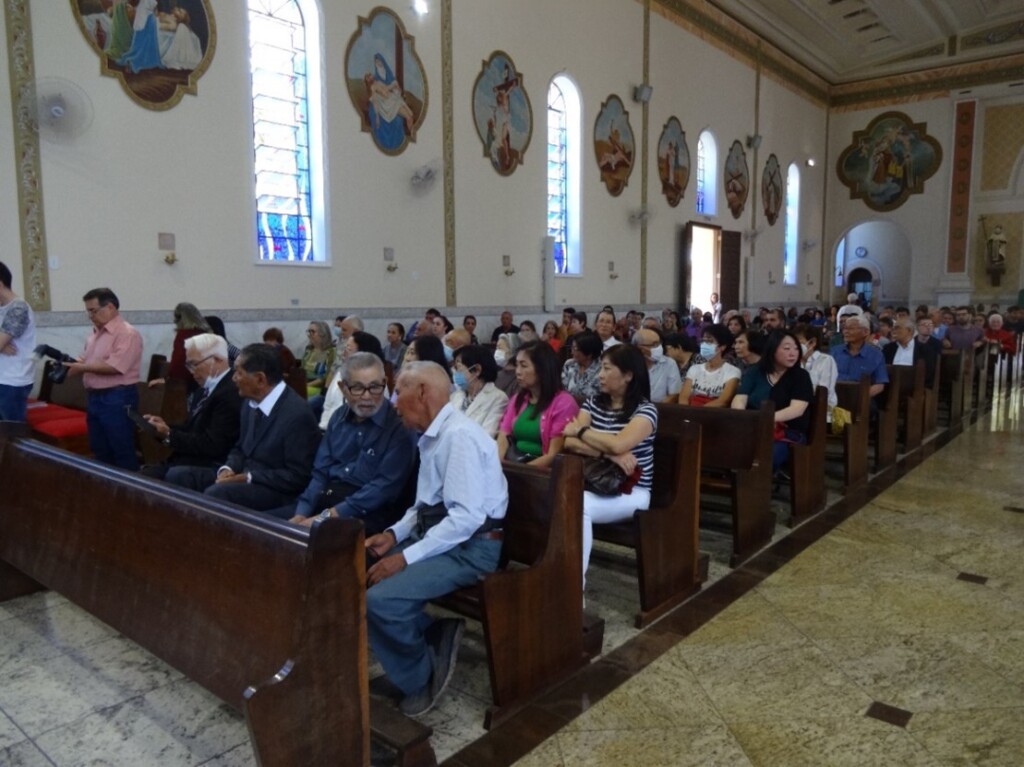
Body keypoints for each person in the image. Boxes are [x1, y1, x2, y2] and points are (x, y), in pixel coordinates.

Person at [364, 361, 507, 717]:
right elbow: (425, 503)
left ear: (423, 393)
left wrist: (405, 557)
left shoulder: (458, 437)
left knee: (381, 600)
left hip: (473, 547)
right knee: (359, 570)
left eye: (399, 392)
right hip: (443, 536)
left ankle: (420, 678)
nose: (394, 401)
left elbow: (466, 517)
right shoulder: (434, 435)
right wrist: (393, 534)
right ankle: (433, 638)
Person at [285, 353, 415, 532]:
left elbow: (381, 490)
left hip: (366, 514)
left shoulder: (399, 426)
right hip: (327, 499)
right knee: (267, 527)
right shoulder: (338, 417)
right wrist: (302, 512)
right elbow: (320, 473)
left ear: (385, 382)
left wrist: (323, 518)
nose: (367, 396)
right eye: (358, 388)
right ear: (342, 387)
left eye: (375, 387)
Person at [562, 344, 657, 582]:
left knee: (578, 505)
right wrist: (608, 455)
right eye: (601, 368)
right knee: (560, 498)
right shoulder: (594, 402)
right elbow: (569, 443)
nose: (600, 375)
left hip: (632, 490)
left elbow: (619, 444)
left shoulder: (646, 410)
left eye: (606, 369)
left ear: (628, 375)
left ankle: (575, 587)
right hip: (596, 482)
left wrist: (581, 430)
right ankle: (559, 574)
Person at [201, 344, 321, 511]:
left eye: (239, 373)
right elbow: (240, 448)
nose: (234, 378)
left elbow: (298, 476)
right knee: (181, 476)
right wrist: (228, 468)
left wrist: (248, 477)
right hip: (242, 476)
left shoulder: (297, 414)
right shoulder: (249, 402)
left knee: (217, 494)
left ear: (260, 379)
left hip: (275, 491)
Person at [141, 333, 242, 487]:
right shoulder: (204, 388)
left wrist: (169, 434)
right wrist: (164, 428)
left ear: (217, 360)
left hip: (210, 466)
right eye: (188, 365)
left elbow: (213, 445)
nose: (191, 371)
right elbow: (192, 429)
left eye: (195, 364)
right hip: (187, 460)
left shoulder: (230, 392)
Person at [65, 288, 143, 471]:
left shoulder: (127, 334)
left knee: (121, 449)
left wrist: (81, 367)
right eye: (88, 311)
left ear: (110, 307)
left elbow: (116, 367)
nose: (90, 316)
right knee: (100, 449)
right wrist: (66, 366)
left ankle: (129, 493)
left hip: (118, 397)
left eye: (93, 310)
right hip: (95, 398)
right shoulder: (94, 335)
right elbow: (86, 359)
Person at [732, 330, 815, 473]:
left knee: (764, 457)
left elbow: (797, 409)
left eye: (796, 348)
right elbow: (740, 398)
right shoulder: (755, 371)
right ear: (772, 350)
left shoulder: (800, 376)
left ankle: (755, 488)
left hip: (787, 433)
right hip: (752, 428)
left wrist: (764, 420)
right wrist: (743, 419)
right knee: (729, 449)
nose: (793, 353)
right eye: (787, 348)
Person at [497, 341, 578, 466]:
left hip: (541, 473)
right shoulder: (518, 398)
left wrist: (521, 473)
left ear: (542, 369)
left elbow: (553, 455)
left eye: (524, 366)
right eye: (517, 365)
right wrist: (498, 466)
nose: (517, 371)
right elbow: (504, 435)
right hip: (513, 463)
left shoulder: (564, 403)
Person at [320, 331, 385, 429]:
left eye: (349, 349)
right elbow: (327, 405)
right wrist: (323, 426)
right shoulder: (340, 373)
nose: (344, 352)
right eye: (345, 348)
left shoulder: (378, 381)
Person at [0, 261, 36, 422]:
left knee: (12, 434)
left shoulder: (18, 308)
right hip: (3, 377)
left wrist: (2, 345)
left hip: (12, 381)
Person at [450, 345, 508, 438]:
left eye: (458, 367)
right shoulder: (456, 395)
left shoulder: (498, 398)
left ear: (477, 370)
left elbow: (486, 436)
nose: (455, 373)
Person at [678, 324, 740, 407]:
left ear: (722, 347)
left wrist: (698, 413)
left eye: (710, 341)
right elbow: (683, 397)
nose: (704, 345)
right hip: (690, 412)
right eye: (703, 341)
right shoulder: (694, 369)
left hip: (714, 414)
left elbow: (722, 401)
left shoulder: (732, 372)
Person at [152, 302, 209, 392]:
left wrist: (167, 380)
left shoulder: (184, 335)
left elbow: (179, 363)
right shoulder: (207, 333)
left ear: (180, 320)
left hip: (187, 386)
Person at [831, 313, 888, 399]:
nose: (845, 331)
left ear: (865, 332)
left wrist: (862, 397)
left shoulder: (876, 355)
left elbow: (879, 385)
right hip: (834, 396)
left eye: (850, 328)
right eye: (844, 328)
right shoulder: (835, 351)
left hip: (862, 397)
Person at [366, 53, 415, 151]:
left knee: (411, 115)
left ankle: (413, 134)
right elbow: (376, 100)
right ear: (368, 80)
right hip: (389, 104)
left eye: (370, 76)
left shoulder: (378, 81)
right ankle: (412, 136)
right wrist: (377, 117)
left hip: (394, 99)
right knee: (409, 117)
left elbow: (392, 86)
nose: (371, 77)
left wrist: (393, 87)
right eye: (369, 77)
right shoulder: (373, 87)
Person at [793, 323, 838, 419]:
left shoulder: (826, 360)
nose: (794, 346)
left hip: (821, 411)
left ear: (812, 342)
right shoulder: (792, 362)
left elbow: (825, 392)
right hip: (796, 409)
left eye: (798, 342)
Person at [883, 317, 938, 388]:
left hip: (915, 389)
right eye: (893, 328)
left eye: (897, 328)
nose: (893, 331)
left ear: (909, 331)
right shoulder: (888, 348)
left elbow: (928, 374)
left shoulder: (925, 350)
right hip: (889, 387)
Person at [634, 328, 681, 403]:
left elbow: (674, 394)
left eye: (659, 343)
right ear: (640, 348)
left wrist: (654, 409)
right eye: (654, 344)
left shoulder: (669, 363)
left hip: (660, 409)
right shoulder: (628, 364)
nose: (659, 347)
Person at [118, 0, 163, 74]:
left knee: (149, 42)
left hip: (149, 18)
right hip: (145, 18)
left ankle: (149, 60)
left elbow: (154, 7)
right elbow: (150, 5)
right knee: (142, 44)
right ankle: (134, 62)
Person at [561, 331, 603, 403]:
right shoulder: (569, 364)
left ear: (589, 354)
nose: (572, 352)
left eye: (575, 349)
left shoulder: (601, 370)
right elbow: (562, 389)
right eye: (572, 347)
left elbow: (599, 398)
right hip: (567, 407)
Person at [300, 320, 336, 397]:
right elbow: (302, 369)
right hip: (304, 382)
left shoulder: (330, 351)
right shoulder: (309, 349)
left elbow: (326, 376)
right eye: (308, 331)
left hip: (318, 386)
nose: (309, 335)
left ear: (322, 334)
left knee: (299, 393)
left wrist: (306, 385)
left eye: (312, 331)